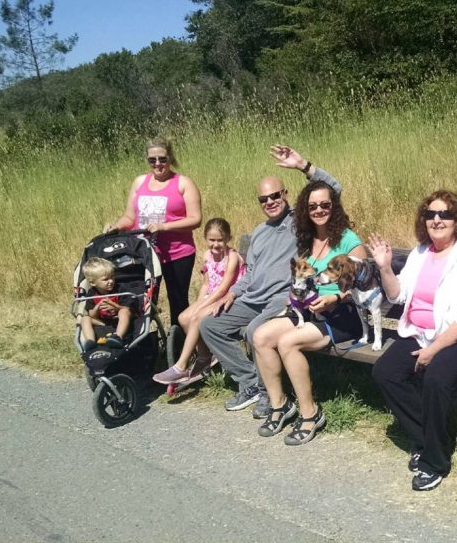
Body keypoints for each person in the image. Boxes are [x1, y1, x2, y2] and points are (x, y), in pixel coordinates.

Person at [367, 190, 457, 492]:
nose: (436, 220)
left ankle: (434, 462)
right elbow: (397, 295)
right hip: (422, 333)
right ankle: (432, 438)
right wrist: (385, 267)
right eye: (430, 214)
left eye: (444, 214)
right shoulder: (421, 253)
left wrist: (434, 350)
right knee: (385, 372)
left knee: (436, 378)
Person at [199, 145, 342, 418]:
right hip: (252, 297)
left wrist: (303, 165)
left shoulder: (300, 222)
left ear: (285, 194)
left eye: (275, 196)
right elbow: (250, 272)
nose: (270, 203)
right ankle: (250, 381)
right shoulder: (259, 232)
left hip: (282, 297)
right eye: (263, 199)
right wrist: (232, 293)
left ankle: (269, 394)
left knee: (255, 332)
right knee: (210, 325)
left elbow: (333, 190)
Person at [250, 180, 367, 445]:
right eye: (313, 206)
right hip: (308, 309)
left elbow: (363, 283)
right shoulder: (305, 238)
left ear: (333, 206)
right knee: (261, 336)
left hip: (342, 313)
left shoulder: (348, 239)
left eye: (325, 204)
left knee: (288, 342)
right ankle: (280, 405)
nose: (319, 210)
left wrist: (335, 297)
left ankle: (310, 413)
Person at [105, 137, 202, 328]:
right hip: (143, 253)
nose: (158, 164)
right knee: (143, 300)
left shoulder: (183, 183)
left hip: (177, 253)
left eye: (162, 159)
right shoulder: (140, 182)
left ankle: (181, 343)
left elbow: (196, 219)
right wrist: (116, 227)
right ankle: (142, 341)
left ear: (170, 157)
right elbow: (129, 217)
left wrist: (164, 226)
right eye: (152, 160)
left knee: (178, 301)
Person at [152, 218, 245, 385]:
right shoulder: (207, 256)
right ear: (205, 238)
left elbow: (224, 288)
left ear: (228, 238)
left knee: (196, 317)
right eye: (212, 240)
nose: (215, 244)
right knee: (183, 317)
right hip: (212, 295)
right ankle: (205, 356)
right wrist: (199, 302)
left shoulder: (232, 257)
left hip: (230, 297)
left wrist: (201, 307)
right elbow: (206, 284)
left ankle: (180, 367)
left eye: (220, 240)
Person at [78, 257, 136, 351]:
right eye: (106, 279)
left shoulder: (120, 289)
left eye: (112, 277)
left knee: (124, 311)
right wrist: (97, 308)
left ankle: (118, 337)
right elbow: (92, 316)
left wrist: (115, 306)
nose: (111, 281)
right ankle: (90, 342)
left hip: (120, 320)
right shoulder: (92, 294)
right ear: (92, 283)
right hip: (103, 322)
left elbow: (129, 309)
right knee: (85, 318)